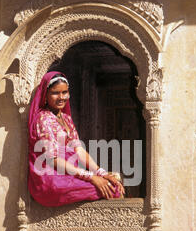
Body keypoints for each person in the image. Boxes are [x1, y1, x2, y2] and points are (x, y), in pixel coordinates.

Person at [28, 71, 125, 207]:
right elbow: (53, 160)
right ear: (45, 95)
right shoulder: (43, 119)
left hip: (68, 173)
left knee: (111, 184)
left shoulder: (66, 119)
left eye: (65, 92)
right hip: (50, 178)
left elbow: (79, 151)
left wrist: (101, 173)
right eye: (55, 93)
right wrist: (92, 178)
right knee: (109, 189)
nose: (61, 97)